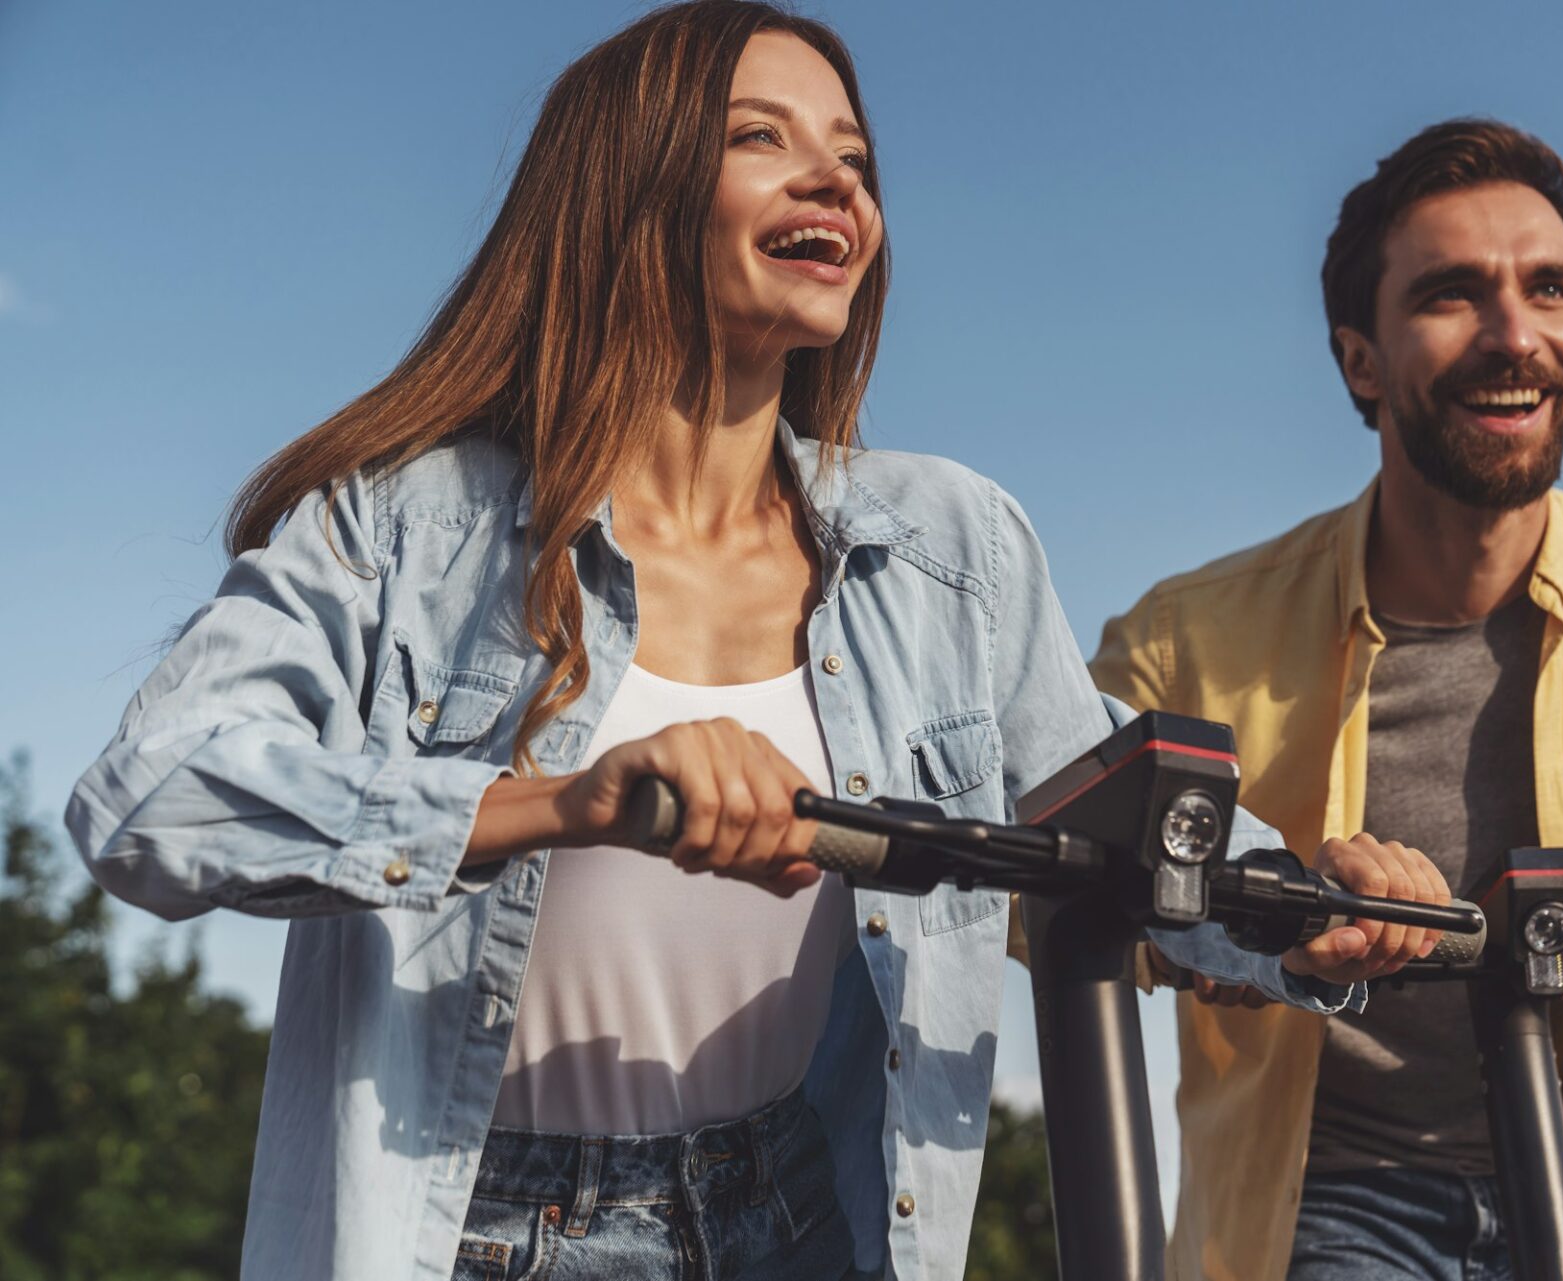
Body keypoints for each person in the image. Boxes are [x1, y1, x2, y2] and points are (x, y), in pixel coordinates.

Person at [65, 7, 1445, 1279]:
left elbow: (1112, 831)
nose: (837, 181)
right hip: (479, 1225)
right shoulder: (405, 527)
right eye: (760, 138)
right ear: (628, 188)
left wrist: (1307, 915)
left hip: (800, 1209)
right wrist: (568, 804)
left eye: (853, 154)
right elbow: (148, 796)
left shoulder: (954, 547)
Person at [1096, 119, 1563, 1281]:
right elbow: (1050, 854)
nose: (1516, 337)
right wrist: (1222, 919)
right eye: (1455, 295)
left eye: (1549, 290)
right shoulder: (1182, 636)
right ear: (1360, 360)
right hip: (1333, 1207)